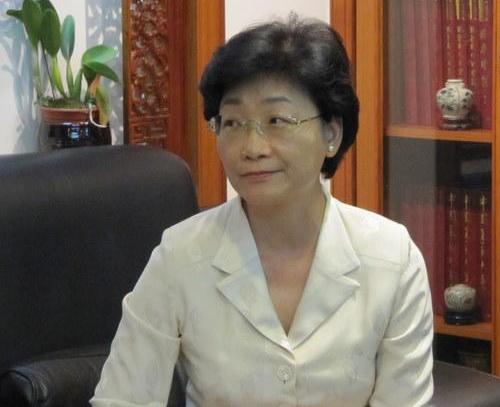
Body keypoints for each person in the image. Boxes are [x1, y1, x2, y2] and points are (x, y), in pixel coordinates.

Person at [91, 15, 433, 407]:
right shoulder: (182, 255)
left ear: (332, 133)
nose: (252, 148)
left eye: (277, 121)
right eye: (232, 123)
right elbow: (121, 399)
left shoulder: (391, 260)